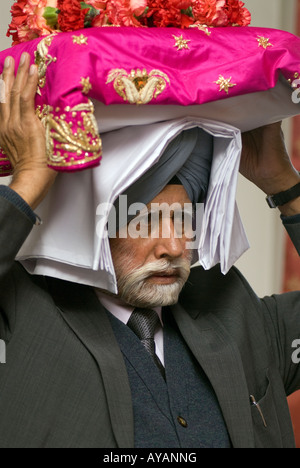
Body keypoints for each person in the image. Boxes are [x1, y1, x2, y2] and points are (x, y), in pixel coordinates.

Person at [0, 53, 300, 449]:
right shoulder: (20, 318)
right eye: (141, 220)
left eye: (183, 220)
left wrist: (285, 186)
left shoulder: (235, 313)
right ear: (88, 226)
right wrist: (29, 182)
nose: (175, 247)